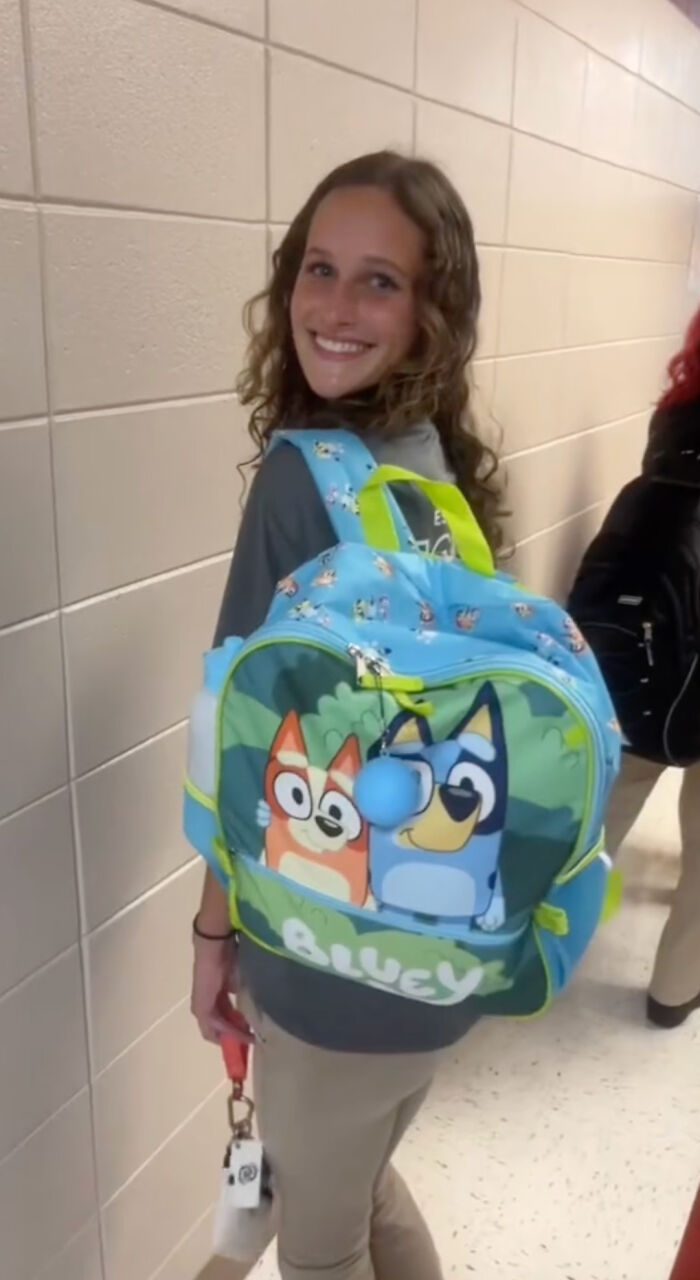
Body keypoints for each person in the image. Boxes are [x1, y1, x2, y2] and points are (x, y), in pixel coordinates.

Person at [189, 151, 504, 1280]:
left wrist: (212, 936)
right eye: (320, 267)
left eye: (380, 280)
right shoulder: (432, 472)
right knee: (361, 1184)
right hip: (436, 941)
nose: (333, 304)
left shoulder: (301, 479)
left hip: (328, 954)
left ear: (432, 310)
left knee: (320, 1249)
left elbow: (241, 743)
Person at [568, 304, 700, 1030]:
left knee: (597, 820)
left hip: (646, 651)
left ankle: (542, 954)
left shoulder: (675, 418)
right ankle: (674, 991)